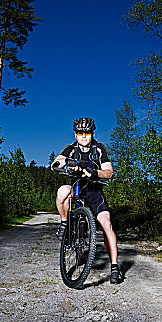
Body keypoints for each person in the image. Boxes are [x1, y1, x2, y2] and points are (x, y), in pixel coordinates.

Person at [51, 117, 123, 284]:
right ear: (75, 135)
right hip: (76, 189)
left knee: (106, 224)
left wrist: (95, 172)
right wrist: (66, 162)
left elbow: (109, 172)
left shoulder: (98, 149)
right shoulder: (71, 149)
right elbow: (57, 161)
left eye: (87, 133)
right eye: (80, 133)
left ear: (92, 134)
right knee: (62, 191)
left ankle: (114, 267)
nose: (83, 136)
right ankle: (65, 224)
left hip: (94, 191)